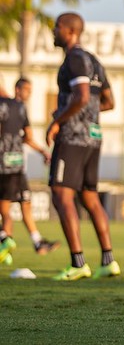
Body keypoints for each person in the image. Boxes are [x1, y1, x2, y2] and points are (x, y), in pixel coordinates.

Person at [46, 12, 120, 281]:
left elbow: (82, 95)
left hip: (73, 138)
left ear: (69, 31)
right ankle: (108, 260)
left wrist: (58, 121)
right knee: (89, 197)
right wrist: (87, 112)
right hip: (93, 136)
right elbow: (108, 101)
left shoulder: (74, 58)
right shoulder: (95, 61)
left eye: (57, 27)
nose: (53, 31)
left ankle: (78, 263)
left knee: (61, 194)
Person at [0, 78, 60, 266]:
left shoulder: (16, 107)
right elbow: (27, 137)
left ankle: (14, 241)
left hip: (12, 165)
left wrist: (42, 150)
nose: (29, 93)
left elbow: (28, 137)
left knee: (21, 205)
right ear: (16, 89)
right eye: (26, 89)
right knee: (7, 209)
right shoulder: (17, 107)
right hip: (11, 165)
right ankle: (7, 240)